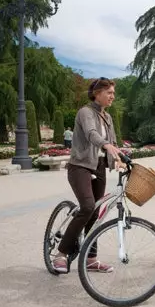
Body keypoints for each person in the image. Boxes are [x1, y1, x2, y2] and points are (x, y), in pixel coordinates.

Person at [51, 78, 123, 274]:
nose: (112, 96)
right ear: (97, 93)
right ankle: (61, 254)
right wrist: (105, 144)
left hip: (99, 167)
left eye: (113, 93)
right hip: (80, 166)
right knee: (88, 207)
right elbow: (91, 134)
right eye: (109, 92)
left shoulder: (107, 117)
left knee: (95, 212)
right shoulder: (85, 112)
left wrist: (119, 158)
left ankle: (91, 259)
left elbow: (113, 141)